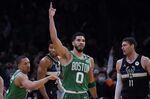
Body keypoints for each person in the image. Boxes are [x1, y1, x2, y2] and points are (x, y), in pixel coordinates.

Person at [48, 2, 98, 99]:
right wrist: (51, 18)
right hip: (69, 94)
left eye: (83, 40)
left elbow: (91, 82)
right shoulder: (67, 55)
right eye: (78, 40)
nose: (81, 42)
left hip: (84, 94)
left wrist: (95, 97)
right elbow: (54, 39)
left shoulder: (89, 60)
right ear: (73, 43)